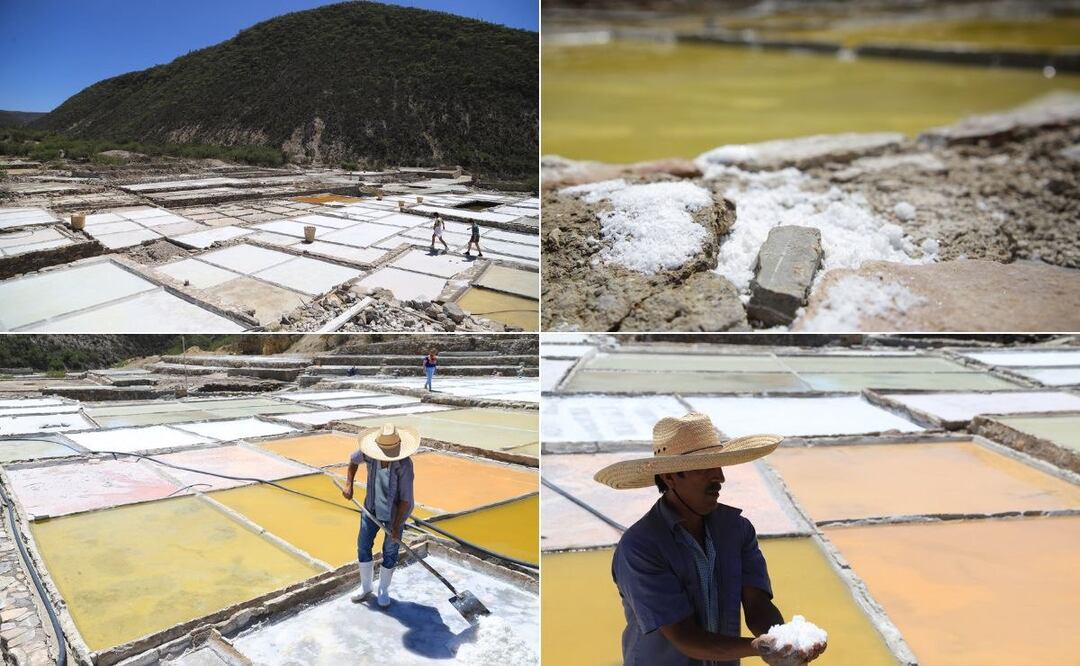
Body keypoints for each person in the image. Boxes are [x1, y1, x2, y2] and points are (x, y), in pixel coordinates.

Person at [594, 412, 827, 666]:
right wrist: (760, 648)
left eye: (718, 466)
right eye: (704, 468)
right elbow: (685, 637)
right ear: (670, 477)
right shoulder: (640, 547)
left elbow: (757, 605)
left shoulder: (737, 530)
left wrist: (787, 642)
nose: (719, 477)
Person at [342, 423, 418, 608]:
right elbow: (353, 460)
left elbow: (405, 500)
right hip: (371, 508)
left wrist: (396, 527)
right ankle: (366, 587)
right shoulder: (370, 454)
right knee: (363, 546)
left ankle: (383, 589)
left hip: (395, 515)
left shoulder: (404, 465)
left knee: (390, 551)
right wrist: (349, 484)